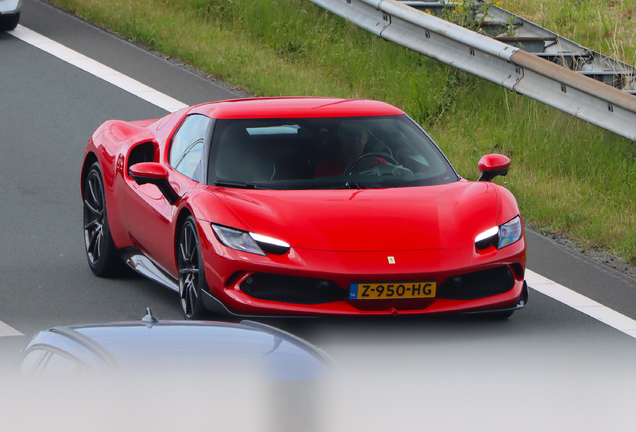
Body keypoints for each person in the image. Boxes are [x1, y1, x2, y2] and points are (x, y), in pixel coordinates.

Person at [314, 122, 387, 178]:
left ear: (366, 138)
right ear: (341, 138)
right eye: (350, 134)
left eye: (359, 135)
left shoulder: (380, 164)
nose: (355, 139)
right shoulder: (326, 167)